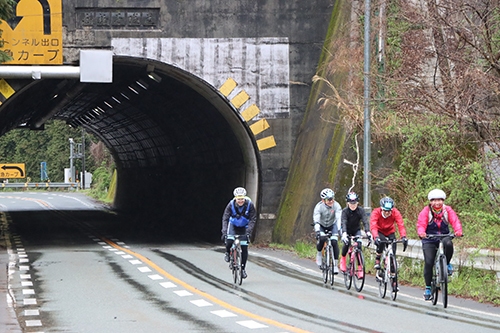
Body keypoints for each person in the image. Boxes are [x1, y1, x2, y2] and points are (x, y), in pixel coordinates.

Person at [417, 189, 463, 301]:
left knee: (449, 244)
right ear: (431, 201)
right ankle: (428, 287)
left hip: (443, 236)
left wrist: (458, 231)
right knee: (429, 262)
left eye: (439, 200)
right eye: (434, 200)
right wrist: (422, 233)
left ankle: (446, 264)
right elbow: (421, 224)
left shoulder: (448, 210)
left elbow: (455, 221)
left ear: (443, 201)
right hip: (429, 238)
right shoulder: (425, 211)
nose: (437, 203)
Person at [221, 187, 257, 279]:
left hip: (244, 227)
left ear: (245, 198)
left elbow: (253, 219)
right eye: (238, 199)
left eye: (242, 199)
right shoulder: (230, 205)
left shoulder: (250, 205)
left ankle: (243, 269)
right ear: (235, 198)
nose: (240, 201)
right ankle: (227, 252)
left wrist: (249, 231)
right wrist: (224, 232)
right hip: (233, 225)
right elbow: (225, 218)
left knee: (244, 248)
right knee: (229, 240)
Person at [371, 197, 408, 270]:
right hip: (379, 231)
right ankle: (378, 258)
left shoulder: (395, 212)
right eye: (385, 210)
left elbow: (400, 224)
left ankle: (393, 277)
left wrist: (403, 236)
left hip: (390, 231)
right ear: (381, 208)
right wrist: (376, 237)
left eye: (389, 211)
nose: (387, 213)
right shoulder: (376, 212)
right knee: (381, 242)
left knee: (393, 253)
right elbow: (373, 225)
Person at [340, 192, 372, 272]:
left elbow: (365, 221)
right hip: (346, 230)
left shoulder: (361, 210)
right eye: (351, 203)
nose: (353, 205)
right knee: (346, 243)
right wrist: (344, 233)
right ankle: (343, 258)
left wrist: (368, 232)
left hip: (356, 230)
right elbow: (343, 222)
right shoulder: (345, 211)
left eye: (355, 203)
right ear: (348, 203)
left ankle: (359, 267)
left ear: (357, 203)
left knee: (359, 246)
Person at [313, 188, 342, 273]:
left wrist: (340, 229)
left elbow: (339, 218)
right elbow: (316, 220)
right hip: (321, 225)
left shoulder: (337, 206)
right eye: (328, 199)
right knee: (322, 239)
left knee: (334, 242)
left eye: (332, 198)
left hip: (332, 225)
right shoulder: (318, 207)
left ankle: (335, 265)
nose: (331, 201)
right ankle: (319, 254)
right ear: (323, 200)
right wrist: (317, 231)